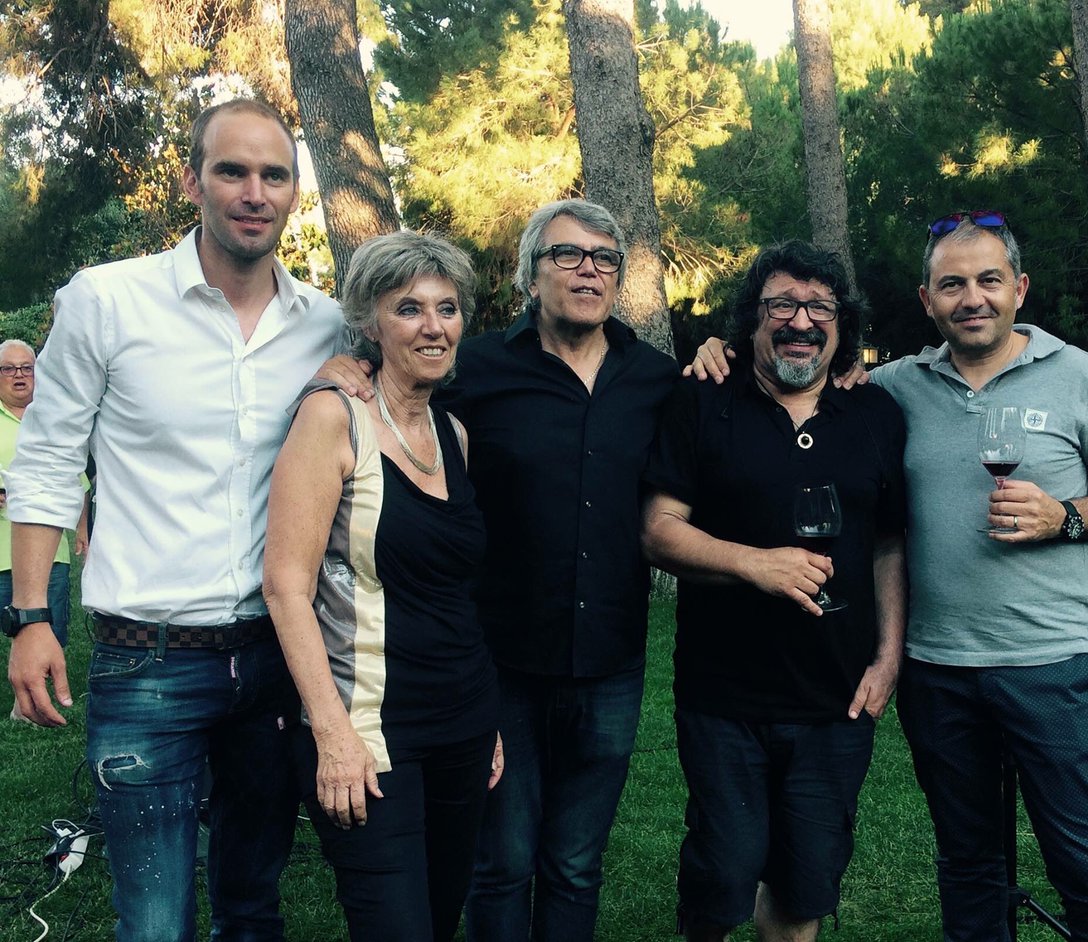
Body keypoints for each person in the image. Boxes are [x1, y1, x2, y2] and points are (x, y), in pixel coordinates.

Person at [692, 212, 1088, 942]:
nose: (971, 298)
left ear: (1019, 289)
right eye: (952, 285)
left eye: (987, 281)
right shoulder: (896, 386)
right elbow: (805, 365)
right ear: (927, 300)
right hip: (938, 671)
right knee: (968, 865)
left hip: (1050, 666)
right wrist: (719, 347)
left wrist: (1065, 516)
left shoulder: (1076, 375)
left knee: (1087, 866)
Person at [5, 98, 345, 941]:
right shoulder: (107, 301)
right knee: (155, 924)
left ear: (295, 192)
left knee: (252, 905)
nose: (253, 191)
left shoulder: (327, 325)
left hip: (275, 660)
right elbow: (46, 464)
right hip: (146, 663)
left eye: (274, 174)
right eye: (232, 170)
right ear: (193, 180)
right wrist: (31, 617)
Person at [318, 198, 679, 941]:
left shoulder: (657, 378)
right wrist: (343, 363)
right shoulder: (473, 367)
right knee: (503, 863)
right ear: (529, 276)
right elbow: (395, 392)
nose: (589, 271)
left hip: (611, 661)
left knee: (578, 864)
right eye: (567, 255)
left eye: (604, 258)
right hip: (502, 662)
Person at [642, 240, 906, 942]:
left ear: (841, 325)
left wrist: (888, 658)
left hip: (836, 697)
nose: (800, 320)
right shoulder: (701, 398)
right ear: (751, 321)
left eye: (819, 306)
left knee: (805, 883)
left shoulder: (873, 413)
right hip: (725, 695)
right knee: (722, 875)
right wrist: (756, 564)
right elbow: (658, 530)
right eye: (781, 304)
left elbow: (887, 543)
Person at [263, 231, 502, 942]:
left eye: (448, 308)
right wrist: (332, 735)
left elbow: (456, 590)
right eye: (409, 309)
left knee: (439, 914)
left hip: (464, 720)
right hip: (369, 729)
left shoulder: (453, 434)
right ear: (371, 322)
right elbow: (284, 586)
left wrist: (485, 723)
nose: (434, 326)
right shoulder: (334, 417)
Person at [0, 340, 88, 666]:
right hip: (0, 549)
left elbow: (78, 482)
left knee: (52, 626)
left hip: (50, 552)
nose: (18, 375)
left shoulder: (56, 420)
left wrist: (82, 529)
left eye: (27, 368)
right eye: (9, 369)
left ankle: (46, 693)